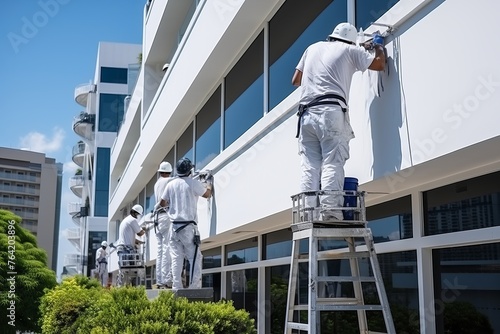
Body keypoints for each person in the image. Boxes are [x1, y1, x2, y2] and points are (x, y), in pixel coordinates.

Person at [292, 22, 386, 220]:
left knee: (310, 165)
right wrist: (377, 46)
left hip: (306, 115)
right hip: (330, 112)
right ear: (351, 39)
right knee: (332, 162)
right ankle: (331, 212)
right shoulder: (350, 49)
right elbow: (379, 64)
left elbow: (296, 79)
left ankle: (308, 214)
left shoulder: (313, 48)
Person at [157, 157, 212, 291]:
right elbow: (207, 195)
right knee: (195, 257)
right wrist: (208, 183)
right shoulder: (193, 183)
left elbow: (162, 203)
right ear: (189, 170)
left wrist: (173, 204)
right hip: (188, 226)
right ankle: (194, 287)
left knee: (176, 258)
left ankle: (177, 287)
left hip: (174, 227)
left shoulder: (171, 184)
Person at [153, 161, 174, 288]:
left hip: (158, 218)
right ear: (169, 172)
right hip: (166, 216)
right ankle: (167, 279)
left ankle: (160, 279)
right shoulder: (168, 181)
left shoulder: (156, 184)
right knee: (167, 247)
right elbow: (180, 179)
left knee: (160, 250)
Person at [115, 204, 146, 285]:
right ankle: (130, 287)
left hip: (121, 247)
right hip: (126, 248)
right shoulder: (132, 220)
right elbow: (140, 233)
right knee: (131, 270)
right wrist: (145, 229)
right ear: (137, 214)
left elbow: (130, 237)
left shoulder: (126, 220)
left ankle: (122, 287)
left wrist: (140, 242)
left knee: (123, 270)